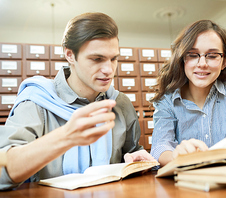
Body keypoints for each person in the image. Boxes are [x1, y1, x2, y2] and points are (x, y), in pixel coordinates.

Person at [0, 12, 155, 190]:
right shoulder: (36, 101)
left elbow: (131, 152)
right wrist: (65, 137)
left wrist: (135, 161)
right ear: (70, 55)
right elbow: (3, 173)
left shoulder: (120, 103)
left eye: (114, 59)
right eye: (97, 59)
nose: (109, 70)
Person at [150, 20, 226, 166]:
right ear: (182, 58)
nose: (202, 63)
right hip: (186, 180)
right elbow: (160, 147)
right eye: (193, 54)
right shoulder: (168, 98)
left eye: (212, 55)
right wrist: (176, 156)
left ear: (224, 61)